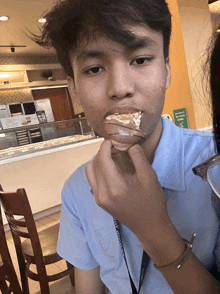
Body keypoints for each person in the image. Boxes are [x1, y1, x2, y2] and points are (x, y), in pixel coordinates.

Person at [33, 0, 220, 293]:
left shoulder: (214, 166)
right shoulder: (76, 190)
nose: (120, 87)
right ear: (73, 89)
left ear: (167, 72)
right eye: (94, 69)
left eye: (141, 60)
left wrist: (153, 229)